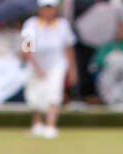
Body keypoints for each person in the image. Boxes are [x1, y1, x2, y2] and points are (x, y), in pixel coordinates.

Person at [20, 0, 76, 139]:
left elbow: (68, 48)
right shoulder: (30, 24)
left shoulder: (63, 25)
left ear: (55, 9)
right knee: (35, 97)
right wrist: (37, 67)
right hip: (35, 65)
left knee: (53, 95)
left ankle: (50, 126)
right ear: (39, 9)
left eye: (50, 8)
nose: (48, 11)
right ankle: (37, 125)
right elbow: (26, 50)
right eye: (45, 8)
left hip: (56, 65)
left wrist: (72, 70)